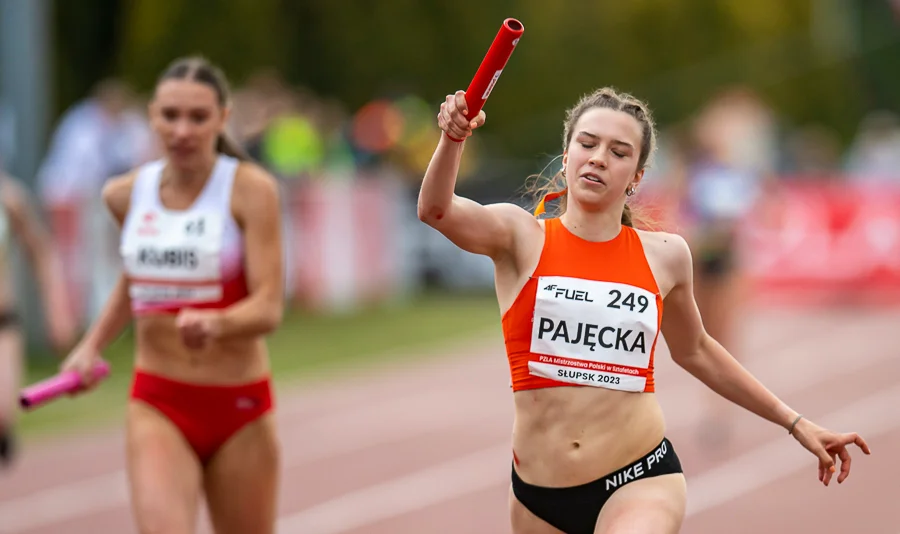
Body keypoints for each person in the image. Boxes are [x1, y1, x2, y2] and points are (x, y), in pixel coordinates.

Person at [418, 87, 871, 534]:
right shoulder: (519, 236)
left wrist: (794, 422)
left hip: (639, 479)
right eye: (588, 143)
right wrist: (452, 138)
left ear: (636, 175)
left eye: (619, 152)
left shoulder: (665, 256)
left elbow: (696, 349)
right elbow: (436, 210)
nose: (598, 158)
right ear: (567, 153)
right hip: (539, 496)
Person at [61, 56, 285, 534]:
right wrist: (91, 345)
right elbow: (135, 279)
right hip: (159, 402)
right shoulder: (123, 195)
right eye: (170, 115)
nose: (182, 130)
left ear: (222, 118)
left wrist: (217, 323)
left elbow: (269, 307)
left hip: (238, 407)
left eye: (198, 117)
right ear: (151, 117)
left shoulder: (250, 191)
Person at [0, 168, 78, 467]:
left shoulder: (10, 198)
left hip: (3, 322)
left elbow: (42, 251)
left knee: (3, 413)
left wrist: (57, 311)